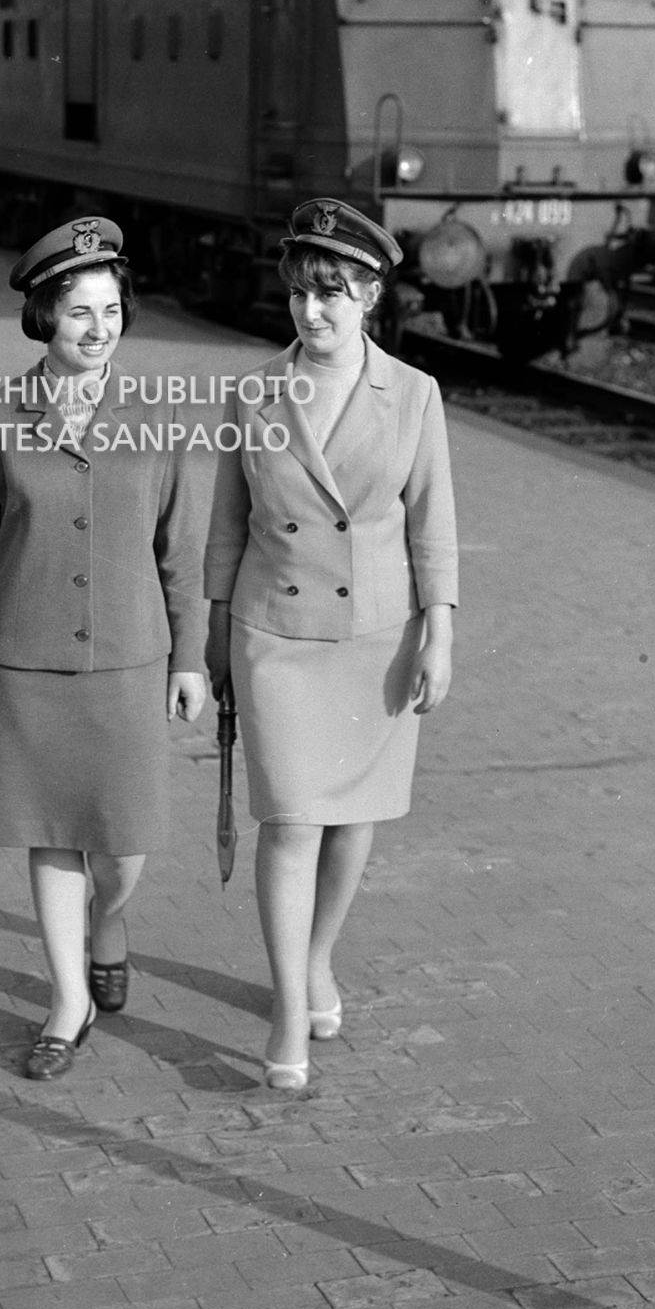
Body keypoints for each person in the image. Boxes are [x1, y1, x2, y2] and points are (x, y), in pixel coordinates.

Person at [0, 218, 209, 1080]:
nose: (99, 330)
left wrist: (192, 656)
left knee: (123, 845)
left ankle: (108, 923)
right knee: (49, 835)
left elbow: (183, 550)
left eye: (113, 310)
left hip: (131, 658)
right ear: (45, 318)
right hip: (22, 662)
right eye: (80, 312)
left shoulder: (157, 414)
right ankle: (66, 1000)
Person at [205, 198, 458, 1092]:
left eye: (335, 294)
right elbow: (228, 525)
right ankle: (285, 1003)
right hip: (274, 634)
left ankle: (316, 959)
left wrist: (440, 633)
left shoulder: (415, 394)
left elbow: (432, 524)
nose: (315, 312)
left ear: (372, 296)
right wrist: (212, 634)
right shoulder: (252, 391)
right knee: (291, 824)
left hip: (377, 636)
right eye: (304, 294)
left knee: (355, 823)